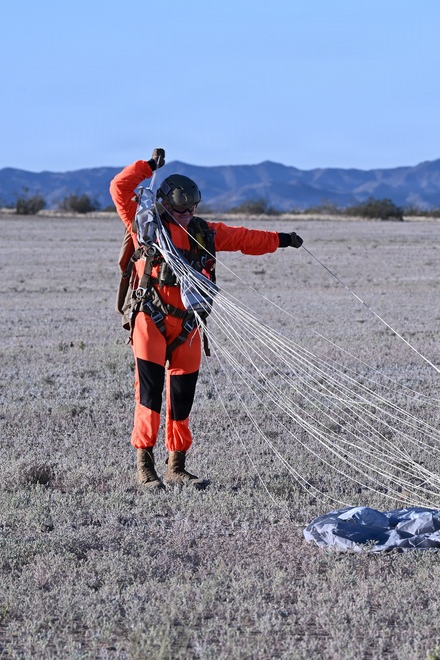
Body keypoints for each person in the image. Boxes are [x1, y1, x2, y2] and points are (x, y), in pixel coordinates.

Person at [111, 147, 304, 490]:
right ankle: (145, 466)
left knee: (183, 396)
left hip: (188, 325)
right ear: (165, 204)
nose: (186, 215)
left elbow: (245, 238)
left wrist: (282, 240)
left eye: (192, 209)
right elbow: (119, 187)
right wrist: (147, 166)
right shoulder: (144, 224)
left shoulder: (205, 233)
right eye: (180, 209)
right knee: (150, 393)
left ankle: (176, 466)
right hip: (149, 318)